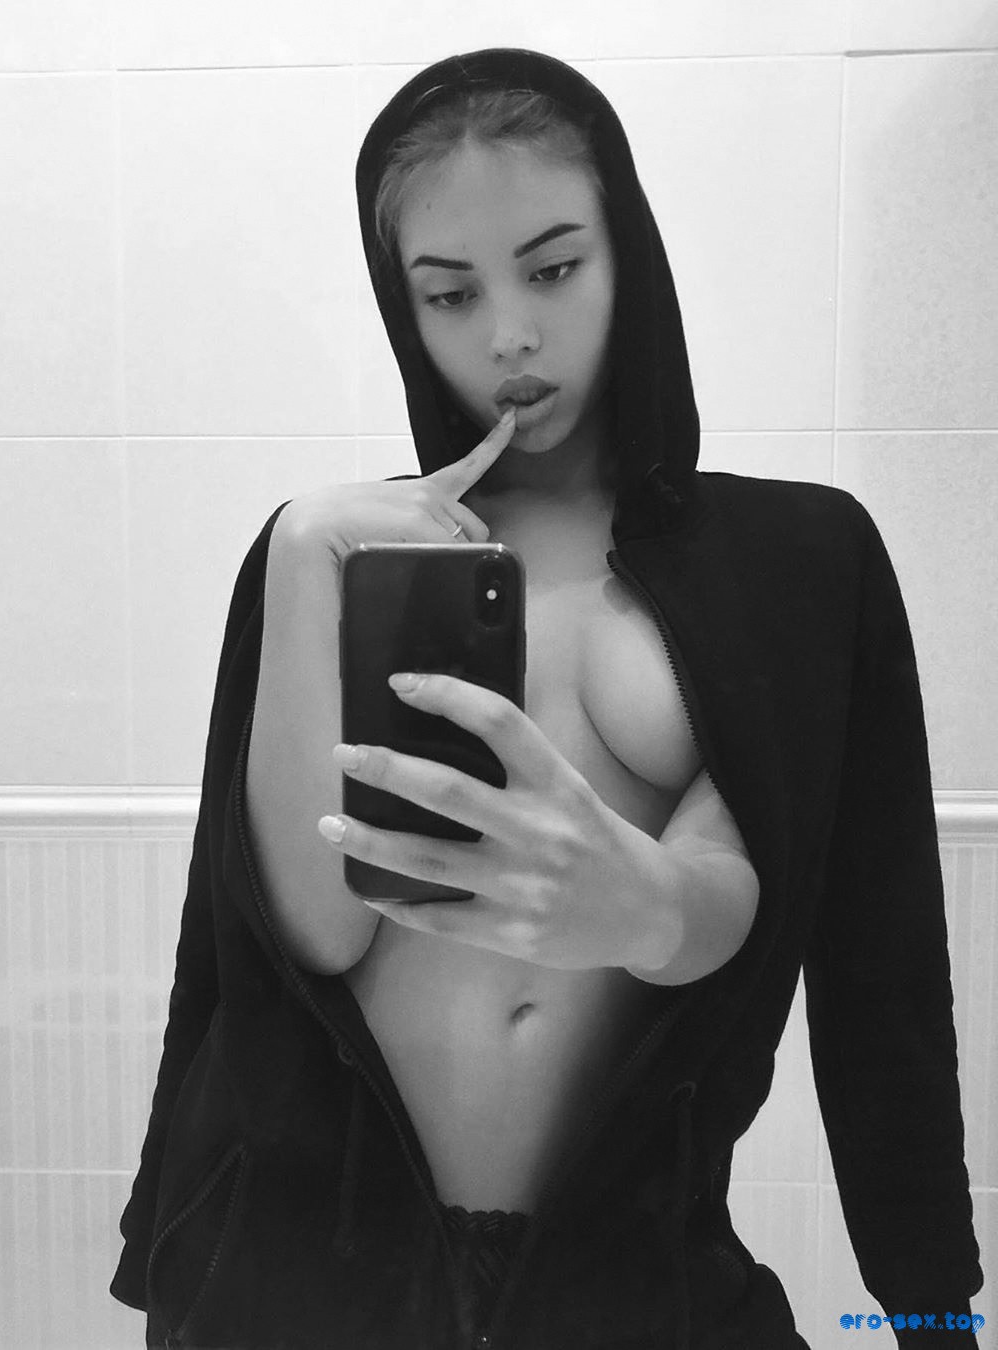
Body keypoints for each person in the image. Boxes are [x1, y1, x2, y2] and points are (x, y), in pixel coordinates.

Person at [110, 48, 983, 1350]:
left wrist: (926, 1308)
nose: (509, 333)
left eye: (554, 268)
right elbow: (279, 946)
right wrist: (296, 553)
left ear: (630, 257)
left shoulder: (798, 562)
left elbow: (877, 963)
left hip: (637, 1279)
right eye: (451, 293)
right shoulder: (340, 552)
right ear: (405, 308)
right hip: (307, 1279)